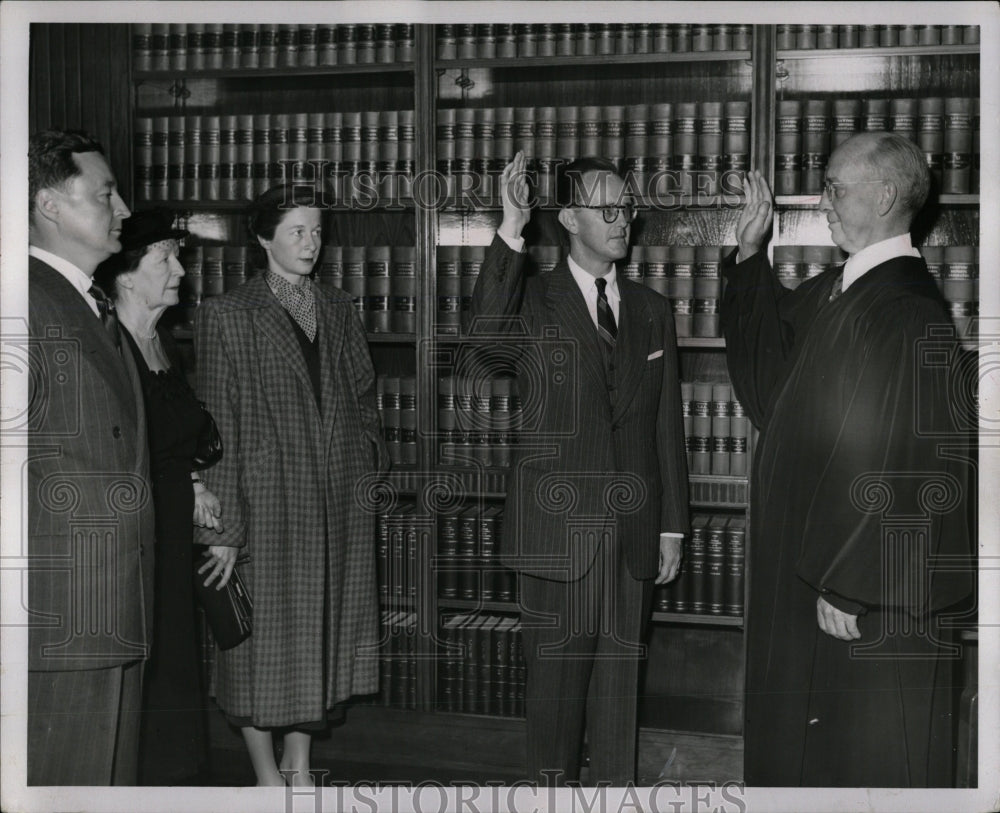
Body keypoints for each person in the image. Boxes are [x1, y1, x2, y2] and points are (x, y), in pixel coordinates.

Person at [722, 132, 974, 786]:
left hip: (861, 593)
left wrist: (850, 578)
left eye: (834, 186)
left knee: (863, 760)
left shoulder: (910, 312)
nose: (822, 200)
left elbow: (913, 461)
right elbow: (770, 377)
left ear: (885, 195)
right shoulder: (843, 288)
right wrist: (750, 253)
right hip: (818, 572)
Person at [471, 152, 689, 785]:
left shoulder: (651, 308)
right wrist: (512, 225)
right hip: (556, 538)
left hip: (633, 538)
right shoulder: (533, 299)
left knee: (620, 703)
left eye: (627, 206)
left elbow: (664, 426)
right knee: (555, 707)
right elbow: (485, 340)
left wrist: (672, 525)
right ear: (567, 217)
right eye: (606, 208)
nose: (622, 219)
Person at [193, 184, 388, 787]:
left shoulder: (337, 307)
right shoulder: (227, 315)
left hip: (333, 502)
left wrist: (367, 463)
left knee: (316, 634)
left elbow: (363, 396)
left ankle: (300, 769)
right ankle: (266, 781)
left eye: (317, 230)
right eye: (297, 230)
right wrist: (223, 532)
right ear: (262, 238)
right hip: (265, 500)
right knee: (259, 646)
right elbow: (216, 425)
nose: (311, 242)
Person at [26, 129, 155, 785]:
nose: (124, 209)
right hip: (60, 621)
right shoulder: (20, 300)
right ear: (50, 204)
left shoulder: (85, 298)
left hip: (114, 610)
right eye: (105, 194)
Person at [93, 209, 230, 785]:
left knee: (176, 669)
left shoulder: (165, 342)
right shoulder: (109, 346)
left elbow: (182, 442)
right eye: (165, 259)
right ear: (126, 275)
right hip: (137, 544)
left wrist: (203, 502)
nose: (180, 270)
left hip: (176, 537)